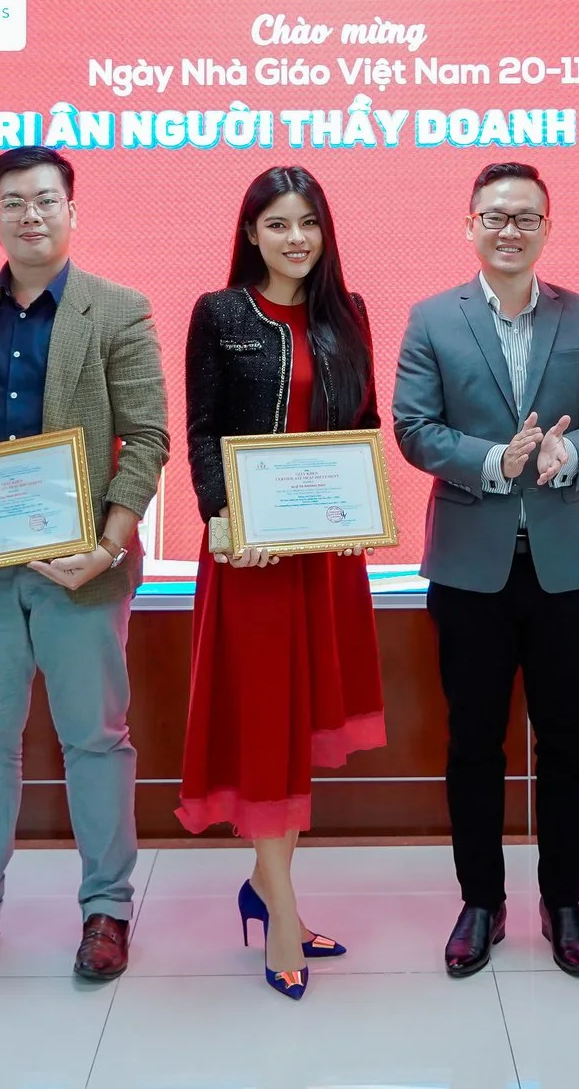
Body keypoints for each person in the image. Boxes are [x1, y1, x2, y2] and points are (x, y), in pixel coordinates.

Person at [0, 146, 170, 984]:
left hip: (81, 565)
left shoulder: (117, 310)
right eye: (14, 202)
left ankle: (107, 909)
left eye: (46, 200)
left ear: (71, 210)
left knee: (94, 738)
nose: (31, 215)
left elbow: (148, 438)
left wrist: (110, 541)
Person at [393, 160, 579, 980]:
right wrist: (497, 459)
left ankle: (562, 899)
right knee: (473, 743)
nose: (509, 229)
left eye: (526, 216)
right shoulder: (433, 318)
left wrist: (572, 452)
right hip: (470, 567)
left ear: (546, 228)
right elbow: (414, 428)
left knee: (568, 740)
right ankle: (482, 900)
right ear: (469, 225)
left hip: (566, 564)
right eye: (494, 215)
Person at [177, 167, 387, 1001]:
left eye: (308, 223)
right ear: (251, 233)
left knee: (298, 726)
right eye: (277, 223)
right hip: (251, 558)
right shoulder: (221, 314)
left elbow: (364, 426)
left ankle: (266, 889)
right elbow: (200, 429)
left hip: (325, 555)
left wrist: (359, 510)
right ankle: (284, 911)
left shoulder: (350, 314)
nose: (295, 238)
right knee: (264, 725)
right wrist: (225, 518)